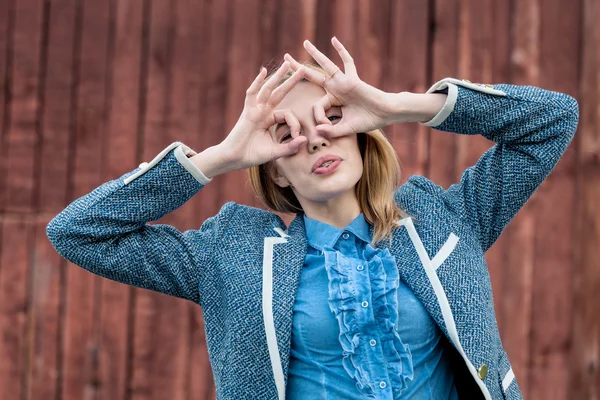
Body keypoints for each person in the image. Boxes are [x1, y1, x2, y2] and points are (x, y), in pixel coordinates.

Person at [47, 37, 579, 400]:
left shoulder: (445, 220)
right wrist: (222, 156)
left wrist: (398, 106)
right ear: (274, 171)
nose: (315, 137)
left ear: (360, 134)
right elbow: (78, 232)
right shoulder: (230, 257)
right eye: (287, 136)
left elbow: (553, 121)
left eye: (331, 119)